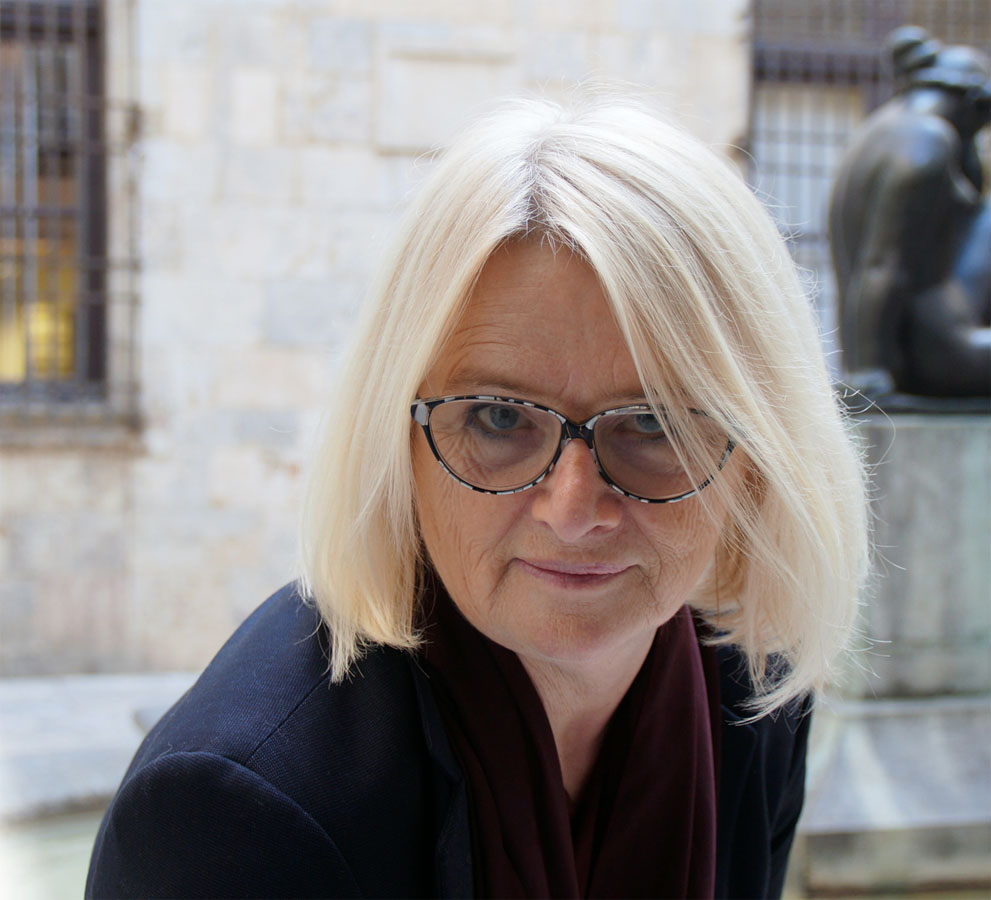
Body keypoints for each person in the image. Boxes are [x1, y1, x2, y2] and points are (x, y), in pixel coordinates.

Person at [86, 94, 869, 899]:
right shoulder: (233, 820)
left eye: (653, 424)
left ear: (758, 457)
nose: (573, 510)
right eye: (498, 418)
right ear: (396, 440)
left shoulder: (752, 695)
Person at [829, 26, 991, 399]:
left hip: (919, 348)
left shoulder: (880, 129)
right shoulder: (928, 140)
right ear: (974, 103)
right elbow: (883, 263)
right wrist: (869, 370)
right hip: (940, 353)